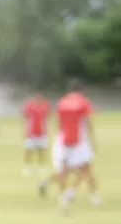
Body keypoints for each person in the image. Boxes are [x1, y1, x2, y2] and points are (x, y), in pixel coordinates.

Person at [38, 79, 101, 211]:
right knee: (85, 169)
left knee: (65, 170)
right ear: (82, 90)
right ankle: (94, 197)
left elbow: (58, 121)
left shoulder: (62, 102)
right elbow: (88, 122)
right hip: (79, 141)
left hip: (63, 140)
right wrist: (92, 141)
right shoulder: (83, 102)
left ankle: (64, 194)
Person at [21, 89, 50, 176]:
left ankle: (41, 167)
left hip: (41, 132)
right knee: (29, 150)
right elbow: (26, 118)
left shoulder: (45, 105)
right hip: (31, 132)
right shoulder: (29, 105)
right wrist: (25, 130)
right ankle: (27, 167)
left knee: (41, 150)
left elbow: (46, 119)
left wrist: (47, 130)